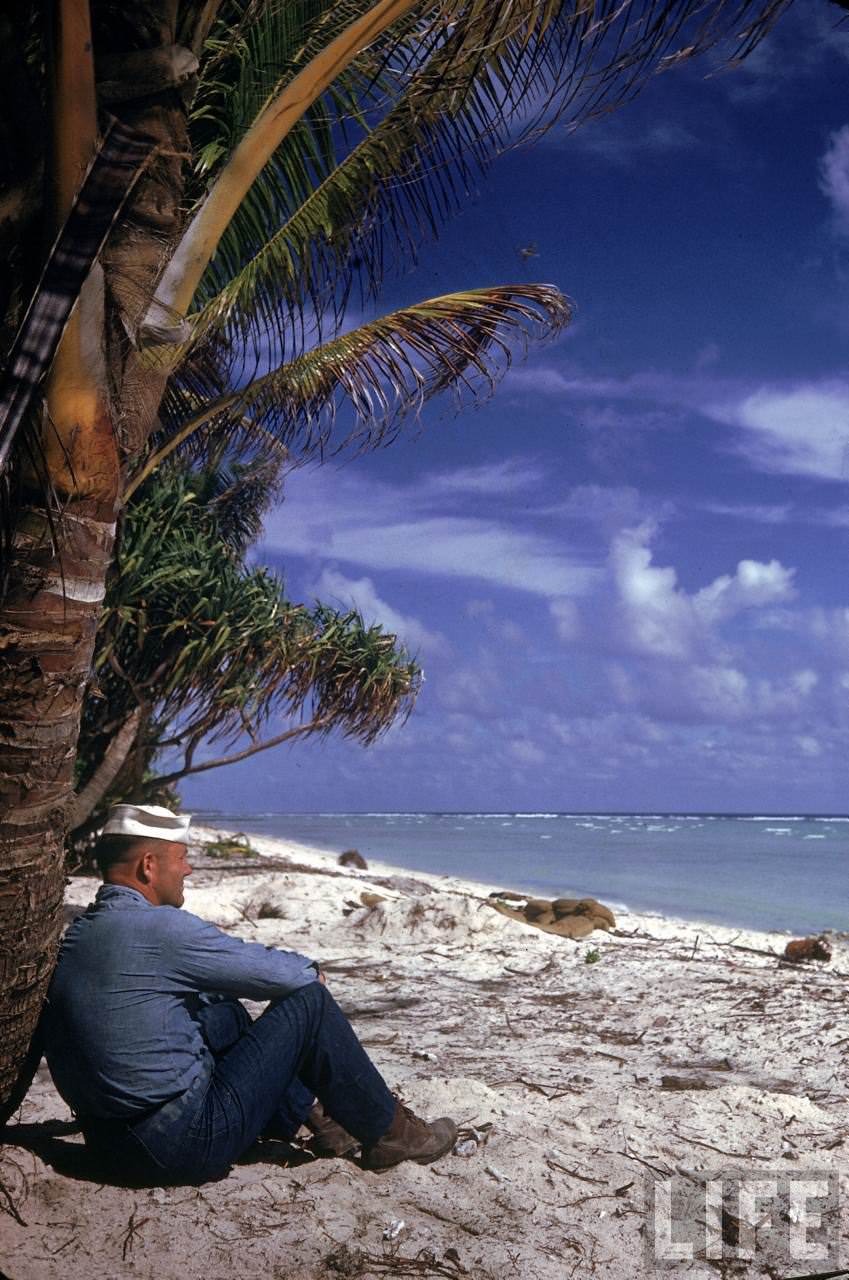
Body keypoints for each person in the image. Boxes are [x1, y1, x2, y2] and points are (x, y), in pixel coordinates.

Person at [42, 803, 456, 1184]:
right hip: (180, 1146)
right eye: (182, 858)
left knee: (218, 1007)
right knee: (308, 1003)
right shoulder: (162, 930)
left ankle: (320, 1122)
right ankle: (394, 1136)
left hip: (109, 1145)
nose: (188, 870)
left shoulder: (78, 934)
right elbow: (286, 976)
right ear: (148, 866)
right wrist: (310, 971)